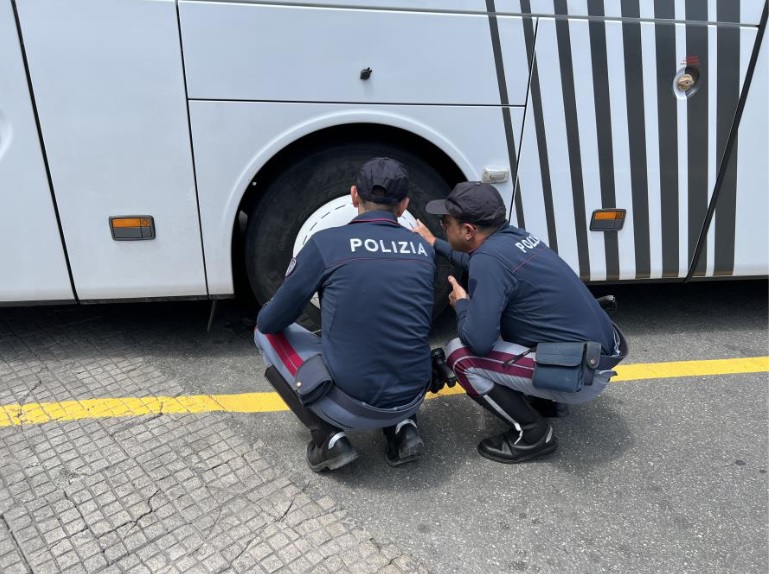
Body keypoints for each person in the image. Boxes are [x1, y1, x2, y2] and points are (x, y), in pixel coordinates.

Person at [413, 181, 627, 464]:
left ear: (468, 231)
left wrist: (462, 304)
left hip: (582, 374)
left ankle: (534, 433)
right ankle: (546, 401)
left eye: (445, 222)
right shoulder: (513, 238)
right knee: (511, 322)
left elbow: (478, 341)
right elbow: (473, 258)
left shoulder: (488, 260)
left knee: (460, 355)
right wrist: (434, 243)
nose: (441, 226)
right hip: (595, 352)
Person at [254, 158, 435, 472]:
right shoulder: (424, 250)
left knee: (263, 331)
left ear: (354, 195)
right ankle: (403, 429)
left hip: (351, 407)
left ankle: (328, 439)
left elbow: (272, 321)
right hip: (413, 396)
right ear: (404, 206)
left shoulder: (327, 244)